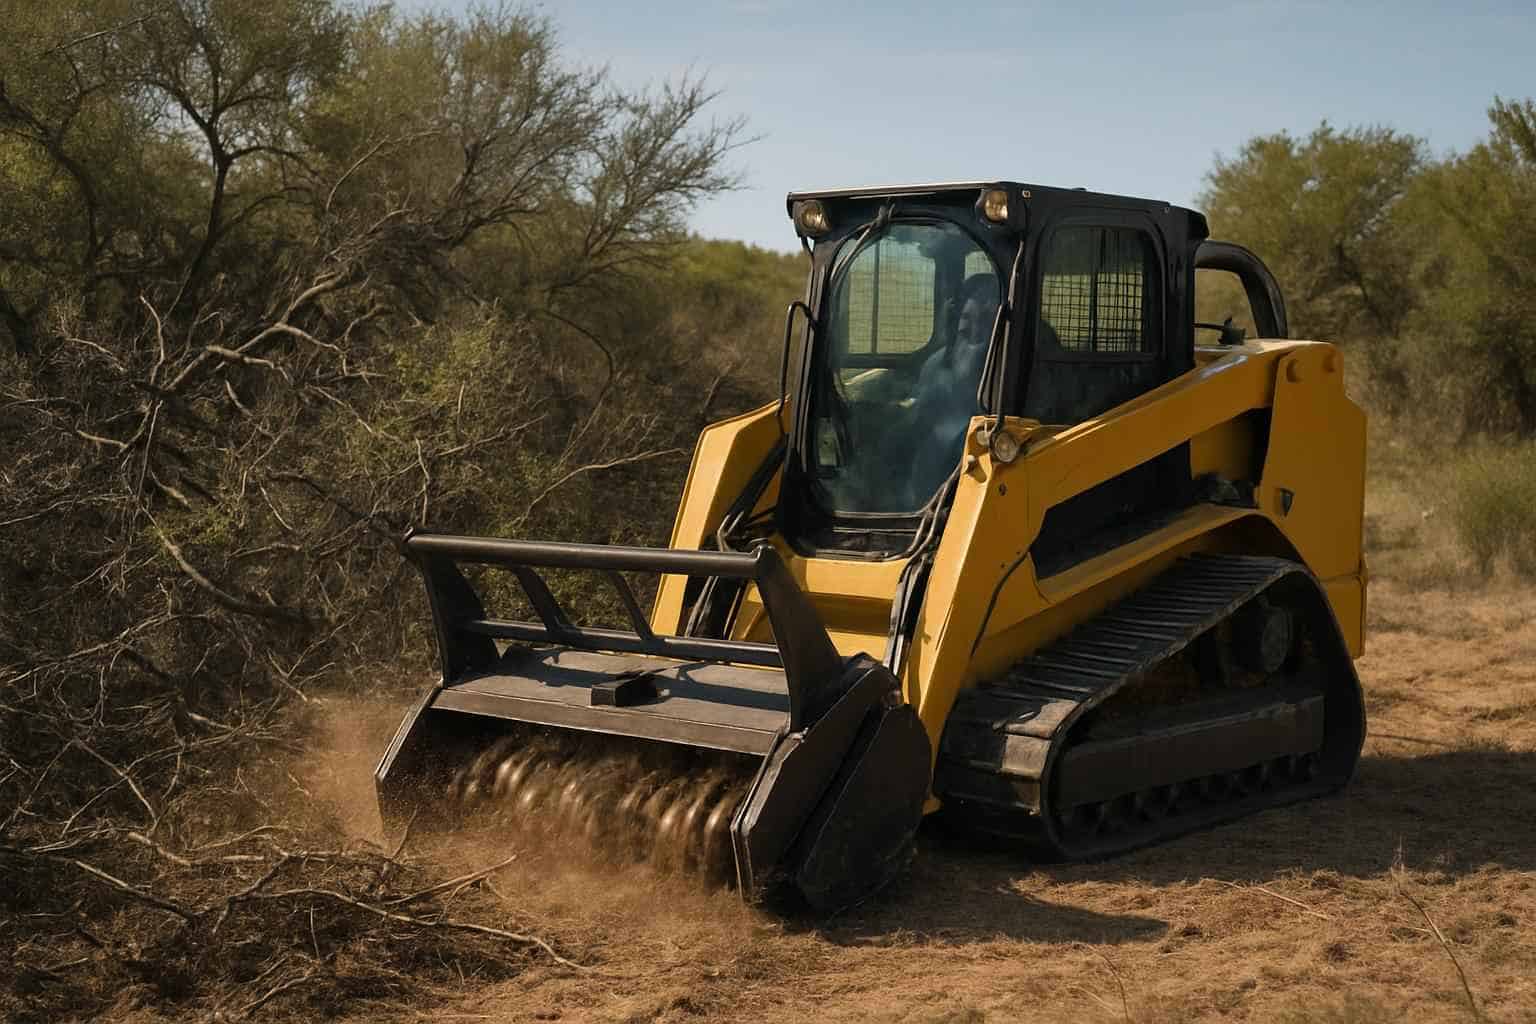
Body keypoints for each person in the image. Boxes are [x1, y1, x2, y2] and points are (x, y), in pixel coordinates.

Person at [904, 273, 999, 504]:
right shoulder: (936, 363)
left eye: (986, 320)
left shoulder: (1018, 364)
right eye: (967, 317)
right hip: (928, 490)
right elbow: (918, 417)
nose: (975, 331)